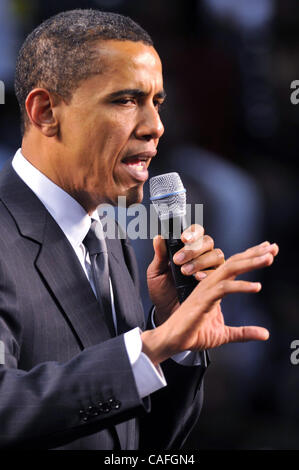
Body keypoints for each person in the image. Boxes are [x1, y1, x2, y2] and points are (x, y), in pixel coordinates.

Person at [0, 9, 278, 450]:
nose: (155, 127)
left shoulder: (111, 238)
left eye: (157, 103)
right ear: (46, 111)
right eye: (126, 101)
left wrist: (174, 335)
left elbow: (138, 445)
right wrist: (150, 348)